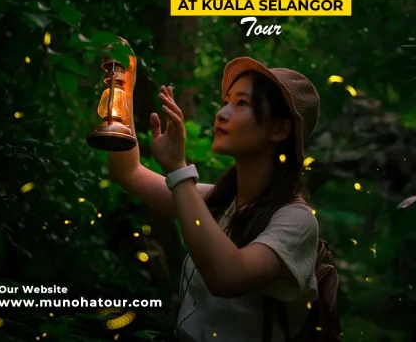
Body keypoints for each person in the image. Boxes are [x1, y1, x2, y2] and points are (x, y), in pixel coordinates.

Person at [108, 39, 321, 341]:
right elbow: (127, 172)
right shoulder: (218, 202)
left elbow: (228, 276)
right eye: (227, 101)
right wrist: (120, 88)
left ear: (279, 130)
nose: (222, 113)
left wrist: (177, 169)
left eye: (242, 104)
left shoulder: (296, 221)